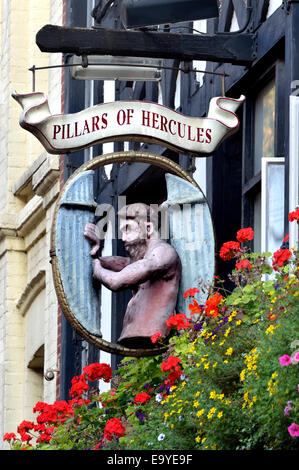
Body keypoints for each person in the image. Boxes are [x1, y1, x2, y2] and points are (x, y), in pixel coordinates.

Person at [84, 202, 181, 348]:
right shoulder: (143, 259)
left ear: (148, 228)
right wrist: (95, 252)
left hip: (152, 335)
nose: (123, 238)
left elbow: (117, 281)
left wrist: (97, 270)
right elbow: (120, 264)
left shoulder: (162, 253)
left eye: (127, 229)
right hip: (138, 338)